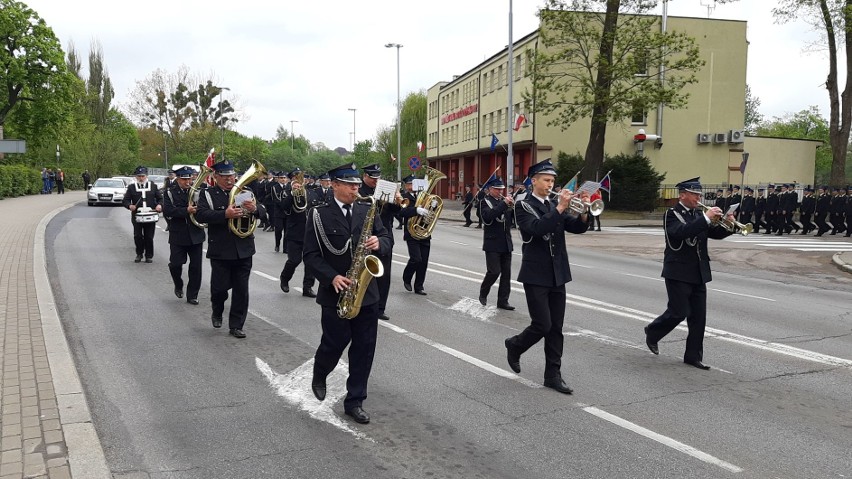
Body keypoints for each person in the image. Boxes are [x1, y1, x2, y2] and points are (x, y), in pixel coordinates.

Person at [304, 162, 392, 425]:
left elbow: (386, 237)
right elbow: (309, 255)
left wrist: (380, 242)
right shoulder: (318, 214)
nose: (357, 188)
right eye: (350, 184)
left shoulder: (367, 208)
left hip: (367, 292)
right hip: (336, 293)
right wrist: (332, 277)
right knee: (334, 343)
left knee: (364, 349)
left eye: (357, 184)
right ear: (335, 185)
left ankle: (355, 401)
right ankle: (320, 372)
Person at [504, 159, 590, 395]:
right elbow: (538, 228)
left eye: (552, 180)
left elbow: (578, 228)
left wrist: (583, 211)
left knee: (556, 328)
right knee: (542, 324)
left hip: (558, 272)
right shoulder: (524, 206)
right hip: (536, 273)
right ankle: (515, 345)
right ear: (534, 181)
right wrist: (560, 208)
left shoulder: (554, 204)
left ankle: (553, 375)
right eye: (546, 180)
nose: (550, 184)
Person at [643, 177, 734, 370]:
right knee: (679, 312)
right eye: (694, 194)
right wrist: (706, 218)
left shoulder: (698, 214)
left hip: (698, 271)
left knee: (699, 317)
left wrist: (729, 225)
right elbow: (680, 233)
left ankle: (693, 356)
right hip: (677, 270)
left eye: (699, 194)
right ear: (682, 195)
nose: (698, 198)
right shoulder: (672, 214)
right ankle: (653, 331)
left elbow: (714, 234)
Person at [195, 160, 266, 338]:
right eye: (225, 177)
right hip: (221, 249)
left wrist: (255, 209)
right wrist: (224, 215)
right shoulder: (208, 194)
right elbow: (201, 214)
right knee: (219, 289)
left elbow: (264, 213)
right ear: (216, 177)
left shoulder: (246, 192)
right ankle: (217, 311)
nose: (230, 180)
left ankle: (236, 325)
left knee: (241, 290)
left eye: (232, 176)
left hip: (244, 248)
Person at [358, 164, 402, 321]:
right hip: (366, 237)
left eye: (377, 178)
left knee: (384, 274)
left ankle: (380, 308)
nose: (375, 181)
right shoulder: (359, 190)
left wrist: (396, 200)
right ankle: (363, 303)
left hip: (384, 236)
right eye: (372, 178)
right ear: (365, 177)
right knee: (364, 272)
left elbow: (396, 211)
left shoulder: (385, 189)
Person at [162, 166, 206, 304]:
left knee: (196, 268)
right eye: (184, 179)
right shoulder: (169, 192)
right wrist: (186, 210)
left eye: (189, 179)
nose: (187, 182)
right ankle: (178, 284)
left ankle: (192, 295)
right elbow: (168, 211)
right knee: (175, 264)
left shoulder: (198, 191)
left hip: (195, 234)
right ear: (178, 178)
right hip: (178, 234)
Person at [279, 168, 319, 297]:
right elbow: (284, 207)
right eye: (295, 178)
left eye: (300, 178)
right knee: (294, 260)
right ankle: (285, 278)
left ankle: (308, 287)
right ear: (291, 179)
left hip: (310, 232)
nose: (299, 181)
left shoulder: (310, 193)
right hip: (295, 232)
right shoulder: (286, 192)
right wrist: (292, 193)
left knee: (311, 262)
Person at [478, 178, 515, 310]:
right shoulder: (484, 202)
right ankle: (484, 291)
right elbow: (488, 217)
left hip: (506, 242)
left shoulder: (503, 202)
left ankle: (503, 301)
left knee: (506, 274)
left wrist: (513, 207)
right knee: (494, 271)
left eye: (501, 189)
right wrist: (504, 204)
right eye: (497, 189)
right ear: (490, 189)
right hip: (492, 242)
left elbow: (510, 221)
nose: (500, 192)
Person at [398, 175, 434, 295]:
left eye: (415, 183)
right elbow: (401, 212)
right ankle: (407, 277)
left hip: (424, 232)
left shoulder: (424, 196)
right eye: (410, 183)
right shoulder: (403, 197)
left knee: (423, 261)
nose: (413, 186)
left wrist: (432, 206)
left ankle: (419, 286)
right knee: (416, 259)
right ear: (406, 185)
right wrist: (416, 210)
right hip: (411, 233)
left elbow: (431, 212)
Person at [122, 166, 163, 263]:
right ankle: (139, 254)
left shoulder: (153, 186)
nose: (141, 178)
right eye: (139, 176)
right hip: (137, 216)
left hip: (150, 215)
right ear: (136, 177)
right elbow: (125, 200)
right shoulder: (132, 187)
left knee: (149, 236)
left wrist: (159, 205)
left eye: (143, 176)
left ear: (146, 176)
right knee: (138, 236)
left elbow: (160, 199)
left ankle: (149, 255)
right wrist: (129, 206)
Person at [268, 172, 289, 252]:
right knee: (278, 230)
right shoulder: (274, 187)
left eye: (284, 178)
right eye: (281, 178)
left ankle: (285, 248)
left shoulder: (289, 187)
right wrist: (285, 205)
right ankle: (277, 244)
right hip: (279, 212)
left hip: (287, 213)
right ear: (278, 179)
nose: (283, 179)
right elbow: (276, 199)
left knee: (287, 231)